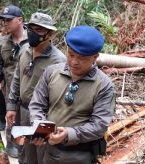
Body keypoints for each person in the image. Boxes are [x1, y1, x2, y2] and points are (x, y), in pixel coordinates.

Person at [29, 25, 116, 164]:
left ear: (95, 56)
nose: (74, 62)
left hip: (78, 156)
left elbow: (99, 125)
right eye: (71, 54)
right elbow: (37, 104)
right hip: (47, 150)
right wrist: (39, 125)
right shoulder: (51, 72)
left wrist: (69, 134)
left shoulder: (104, 86)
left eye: (82, 58)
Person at [6, 12, 67, 164]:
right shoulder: (24, 50)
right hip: (21, 110)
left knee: (41, 155)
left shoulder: (58, 61)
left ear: (50, 34)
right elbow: (17, 79)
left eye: (39, 30)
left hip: (42, 115)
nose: (32, 33)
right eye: (30, 28)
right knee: (23, 152)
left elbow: (60, 96)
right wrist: (12, 106)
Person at [0, 5, 28, 158]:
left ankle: (28, 146)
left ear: (19, 20)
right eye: (2, 20)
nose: (4, 23)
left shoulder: (33, 40)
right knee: (11, 115)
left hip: (30, 86)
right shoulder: (2, 42)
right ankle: (12, 144)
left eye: (8, 20)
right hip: (10, 87)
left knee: (28, 116)